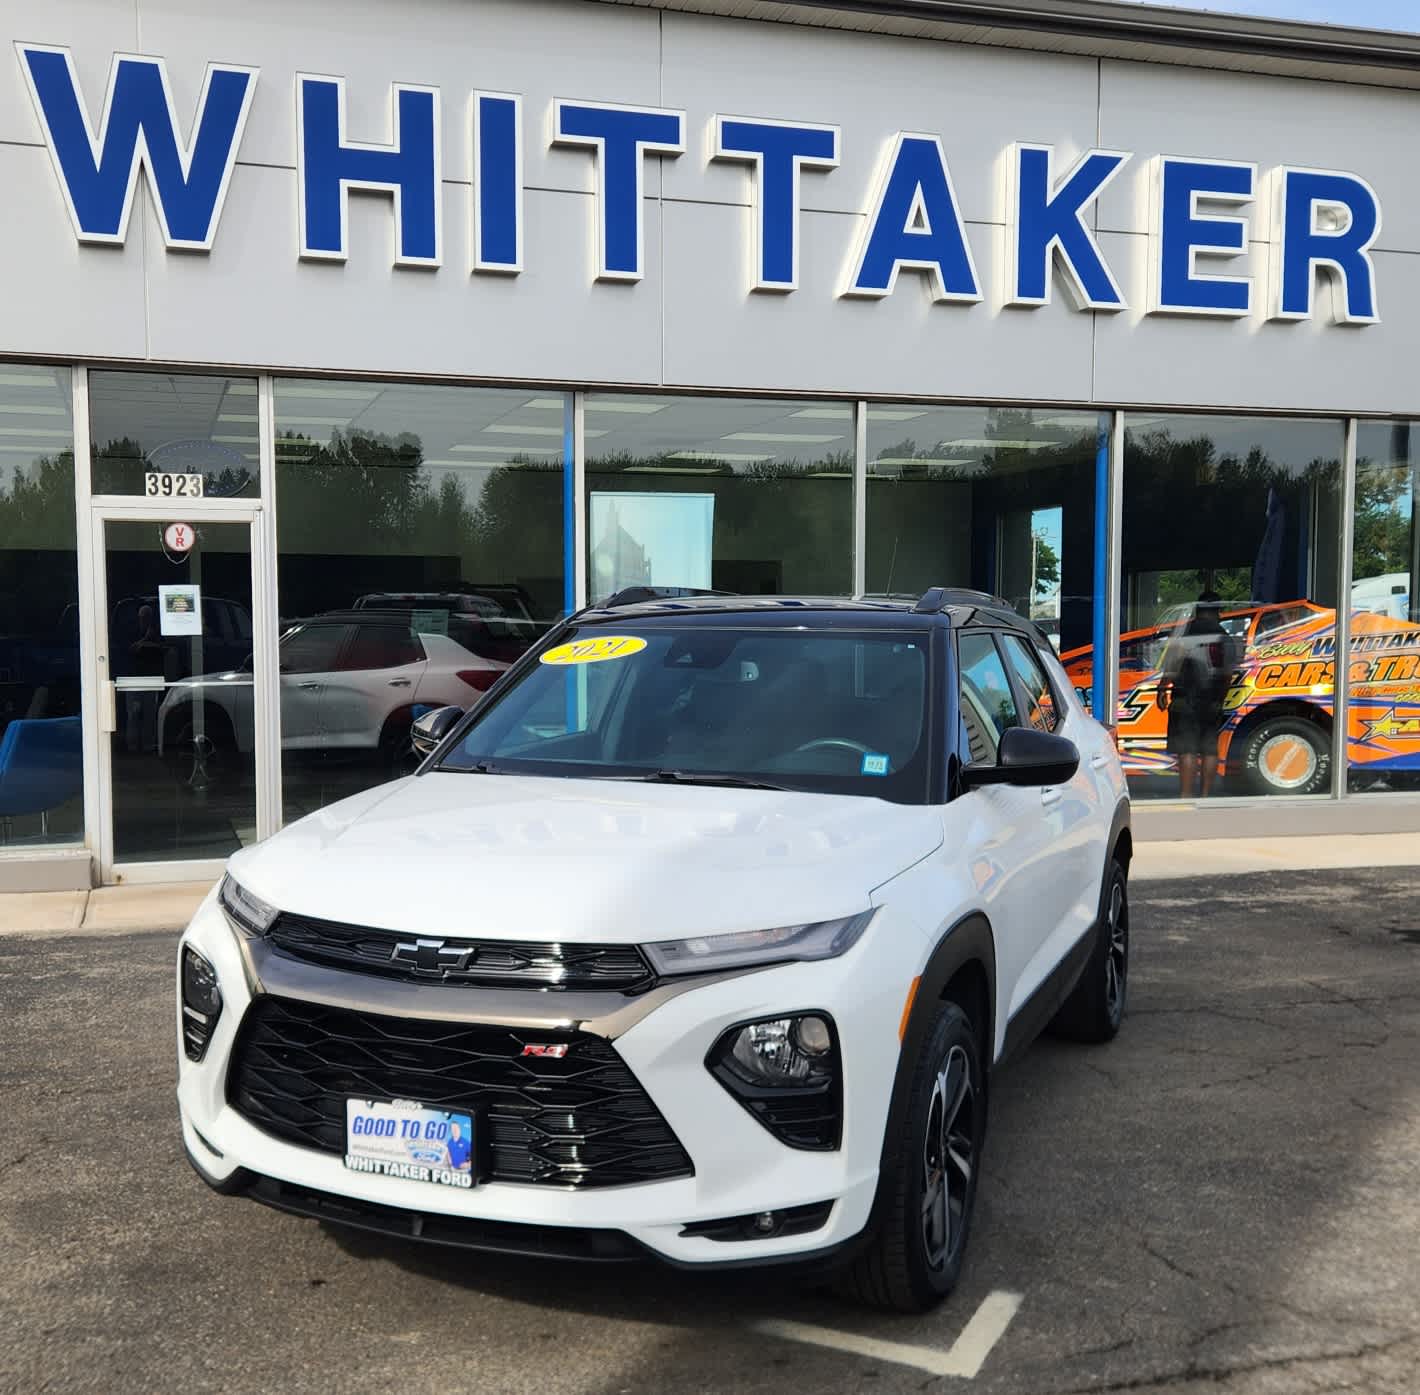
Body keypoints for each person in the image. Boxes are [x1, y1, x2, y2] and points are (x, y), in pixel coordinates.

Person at [1156, 591, 1236, 798]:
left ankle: (1185, 794)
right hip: (1212, 700)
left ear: (1198, 609)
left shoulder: (1186, 633)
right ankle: (1206, 795)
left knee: (1187, 750)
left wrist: (1163, 688)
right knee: (1209, 750)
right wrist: (1220, 698)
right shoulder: (1224, 637)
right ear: (1218, 611)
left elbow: (1173, 664)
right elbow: (1228, 674)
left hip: (1184, 698)